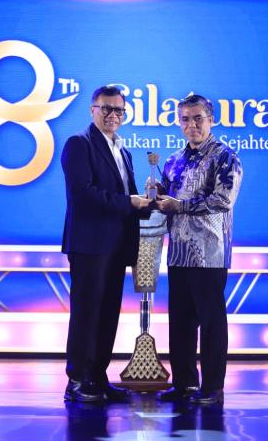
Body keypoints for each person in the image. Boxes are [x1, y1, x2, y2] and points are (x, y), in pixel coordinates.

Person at [61, 85, 151, 403]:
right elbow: (83, 194)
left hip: (117, 246)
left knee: (108, 313)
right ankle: (77, 381)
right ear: (93, 110)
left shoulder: (123, 150)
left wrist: (148, 201)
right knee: (86, 313)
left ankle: (97, 378)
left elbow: (127, 196)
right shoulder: (79, 144)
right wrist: (130, 202)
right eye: (107, 108)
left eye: (119, 110)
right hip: (90, 245)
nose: (113, 115)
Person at [154, 94, 242, 405]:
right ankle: (184, 384)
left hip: (210, 252)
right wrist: (156, 196)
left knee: (211, 322)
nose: (191, 124)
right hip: (178, 251)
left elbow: (224, 200)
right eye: (185, 119)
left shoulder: (225, 157)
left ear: (211, 120)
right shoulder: (172, 160)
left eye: (198, 118)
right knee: (180, 321)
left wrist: (179, 205)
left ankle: (213, 388)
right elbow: (166, 200)